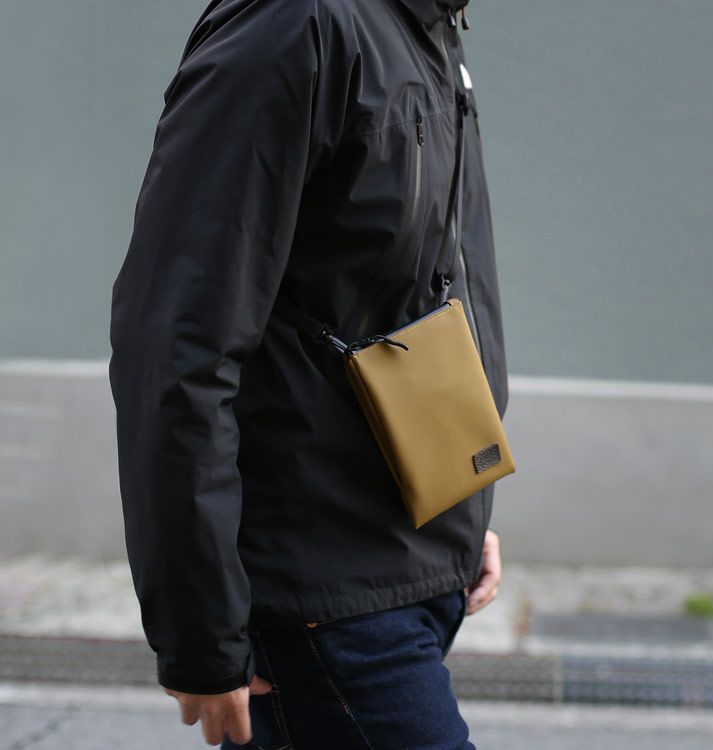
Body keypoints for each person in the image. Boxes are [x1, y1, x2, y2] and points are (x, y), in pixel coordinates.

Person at [108, 0, 509, 747]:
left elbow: (417, 293)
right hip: (322, 597)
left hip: (403, 557)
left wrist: (460, 507)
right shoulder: (296, 24)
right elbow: (177, 343)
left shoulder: (423, 25)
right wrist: (202, 631)